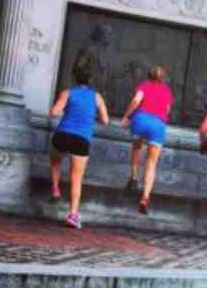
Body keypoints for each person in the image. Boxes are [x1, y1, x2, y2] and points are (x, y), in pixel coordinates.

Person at [49, 66, 109, 229]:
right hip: (82, 139)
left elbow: (54, 112)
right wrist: (92, 116)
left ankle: (55, 188)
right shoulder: (97, 97)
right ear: (91, 81)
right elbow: (105, 120)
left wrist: (67, 109)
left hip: (63, 135)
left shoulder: (67, 93)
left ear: (75, 79)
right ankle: (73, 215)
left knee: (55, 159)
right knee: (76, 178)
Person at [121, 66, 174, 215]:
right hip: (158, 125)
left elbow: (136, 101)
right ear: (163, 78)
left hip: (141, 120)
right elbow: (167, 110)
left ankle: (134, 177)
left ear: (148, 76)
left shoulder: (144, 85)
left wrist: (126, 116)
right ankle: (145, 198)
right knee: (151, 163)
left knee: (136, 148)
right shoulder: (167, 91)